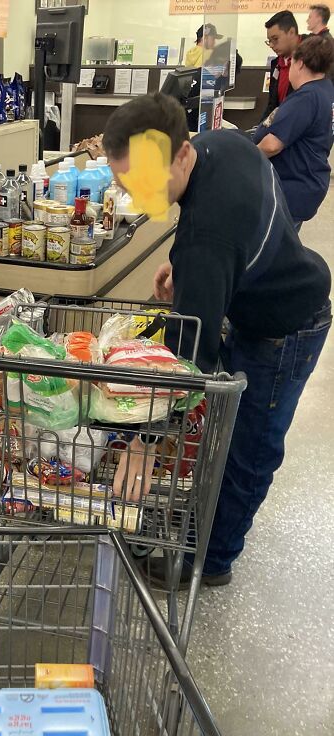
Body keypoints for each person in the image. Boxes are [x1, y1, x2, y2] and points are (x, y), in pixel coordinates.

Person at [102, 93, 331, 586]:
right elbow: (219, 230)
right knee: (224, 437)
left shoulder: (212, 236)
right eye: (125, 184)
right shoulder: (221, 145)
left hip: (284, 326)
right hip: (268, 286)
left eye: (143, 181)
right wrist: (186, 269)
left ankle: (211, 562)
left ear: (181, 154)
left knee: (250, 449)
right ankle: (210, 527)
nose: (137, 196)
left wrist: (143, 441)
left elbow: (190, 358)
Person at [254, 35, 334, 228]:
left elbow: (272, 145)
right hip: (309, 181)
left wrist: (246, 157)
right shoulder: (325, 89)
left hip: (292, 187)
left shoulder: (307, 97)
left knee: (272, 250)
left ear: (299, 64)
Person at [261, 11, 301, 121]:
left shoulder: (312, 59)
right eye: (269, 41)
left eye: (275, 39)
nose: (272, 45)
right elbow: (272, 104)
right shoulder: (276, 64)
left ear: (291, 32)